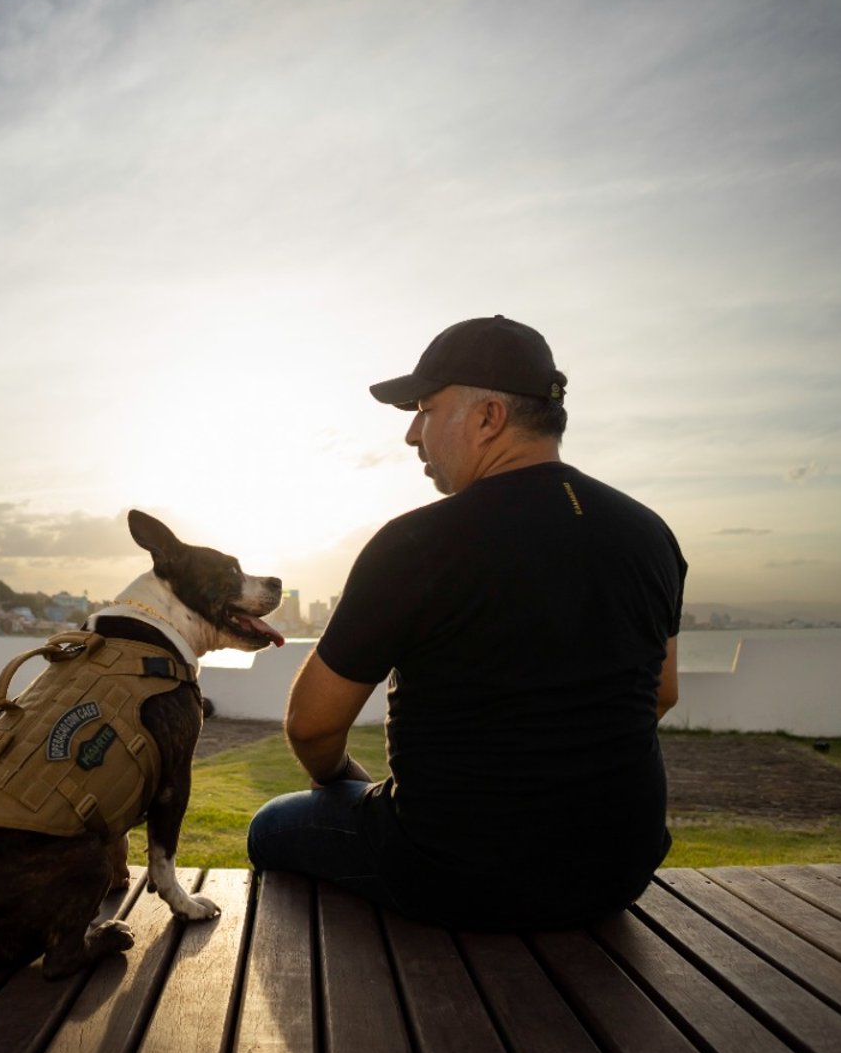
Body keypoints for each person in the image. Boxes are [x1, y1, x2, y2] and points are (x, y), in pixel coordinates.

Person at [247, 315, 684, 930]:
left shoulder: (418, 544)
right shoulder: (651, 534)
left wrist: (340, 781)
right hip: (617, 871)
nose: (411, 435)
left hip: (452, 876)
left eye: (425, 408)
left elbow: (313, 725)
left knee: (271, 826)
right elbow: (661, 693)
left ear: (488, 418)